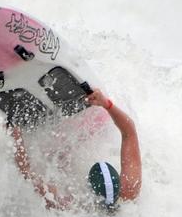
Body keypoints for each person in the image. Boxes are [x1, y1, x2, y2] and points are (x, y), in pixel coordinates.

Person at [11, 88, 141, 210]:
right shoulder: (129, 191)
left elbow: (26, 172)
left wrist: (16, 137)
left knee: (58, 163)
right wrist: (106, 104)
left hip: (58, 171)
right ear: (119, 185)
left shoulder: (69, 208)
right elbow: (129, 132)